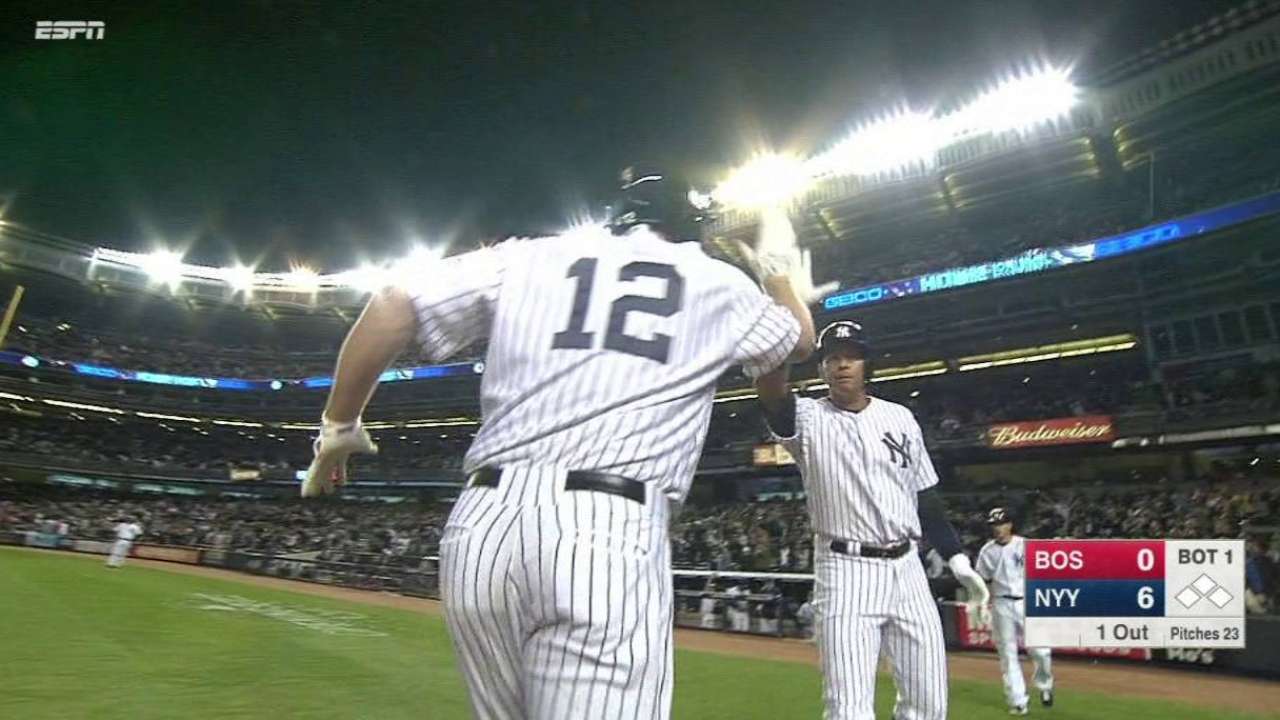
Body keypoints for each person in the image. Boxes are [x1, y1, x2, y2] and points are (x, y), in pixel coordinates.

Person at [301, 167, 820, 719]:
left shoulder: (530, 256)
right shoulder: (717, 281)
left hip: (482, 530)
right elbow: (798, 341)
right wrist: (779, 272)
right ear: (692, 226)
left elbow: (391, 303)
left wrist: (338, 427)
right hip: (606, 529)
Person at [755, 319, 990, 720]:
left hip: (908, 569)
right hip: (845, 571)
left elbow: (925, 496)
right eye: (833, 358)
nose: (843, 365)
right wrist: (785, 327)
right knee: (848, 710)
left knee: (929, 706)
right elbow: (773, 395)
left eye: (852, 357)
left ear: (868, 366)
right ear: (822, 369)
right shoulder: (807, 420)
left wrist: (957, 559)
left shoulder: (899, 418)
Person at [976, 507, 1053, 715]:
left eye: (1001, 523)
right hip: (1002, 604)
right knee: (1008, 655)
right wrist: (983, 603)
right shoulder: (987, 551)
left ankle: (1045, 686)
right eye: (994, 525)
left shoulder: (1025, 545)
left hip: (1027, 601)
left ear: (1010, 524)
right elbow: (983, 581)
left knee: (1040, 650)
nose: (997, 528)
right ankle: (1018, 701)